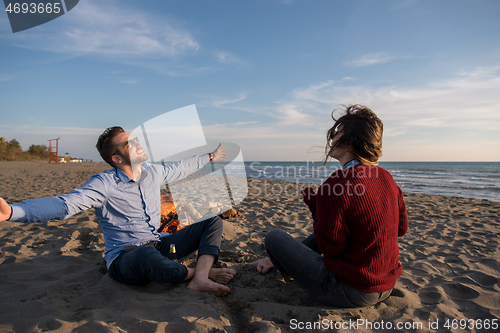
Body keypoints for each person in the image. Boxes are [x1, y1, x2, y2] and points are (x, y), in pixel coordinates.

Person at [0, 126, 236, 296]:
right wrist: (13, 211)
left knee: (212, 221)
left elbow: (180, 168)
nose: (137, 143)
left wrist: (209, 157)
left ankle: (201, 276)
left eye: (134, 139)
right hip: (127, 260)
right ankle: (193, 273)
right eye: (129, 144)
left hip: (164, 247)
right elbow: (65, 204)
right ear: (117, 157)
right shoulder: (104, 184)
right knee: (145, 255)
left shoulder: (152, 173)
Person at [249, 105, 408, 307]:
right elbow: (401, 229)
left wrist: (318, 210)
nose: (332, 139)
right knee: (334, 232)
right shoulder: (387, 177)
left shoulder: (337, 184)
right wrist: (324, 208)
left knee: (274, 237)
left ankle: (276, 262)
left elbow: (332, 248)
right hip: (386, 285)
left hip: (349, 290)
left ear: (350, 142)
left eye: (336, 133)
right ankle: (272, 262)